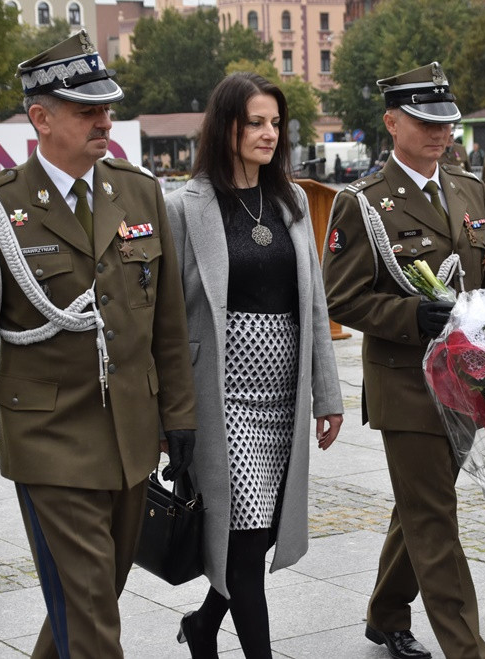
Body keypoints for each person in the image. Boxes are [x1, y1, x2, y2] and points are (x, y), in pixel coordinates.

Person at [0, 30, 197, 658]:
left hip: (131, 437)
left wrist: (181, 421)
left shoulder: (138, 192)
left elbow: (166, 321)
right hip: (50, 441)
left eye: (107, 107)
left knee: (91, 597)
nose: (105, 119)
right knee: (90, 616)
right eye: (87, 110)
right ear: (41, 118)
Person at [322, 61, 485, 659]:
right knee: (434, 519)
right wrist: (407, 318)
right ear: (392, 123)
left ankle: (385, 611)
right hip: (406, 387)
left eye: (446, 121)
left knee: (420, 503)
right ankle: (467, 648)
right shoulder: (365, 202)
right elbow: (339, 295)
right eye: (425, 122)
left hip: (466, 381)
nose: (440, 133)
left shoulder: (469, 189)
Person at [165, 72, 344, 659]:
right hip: (223, 399)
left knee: (260, 534)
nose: (269, 134)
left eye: (275, 123)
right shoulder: (185, 207)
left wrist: (327, 394)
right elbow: (165, 319)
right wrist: (172, 413)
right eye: (255, 123)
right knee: (243, 543)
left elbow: (313, 307)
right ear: (227, 128)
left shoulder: (292, 203)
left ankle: (202, 625)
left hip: (282, 400)